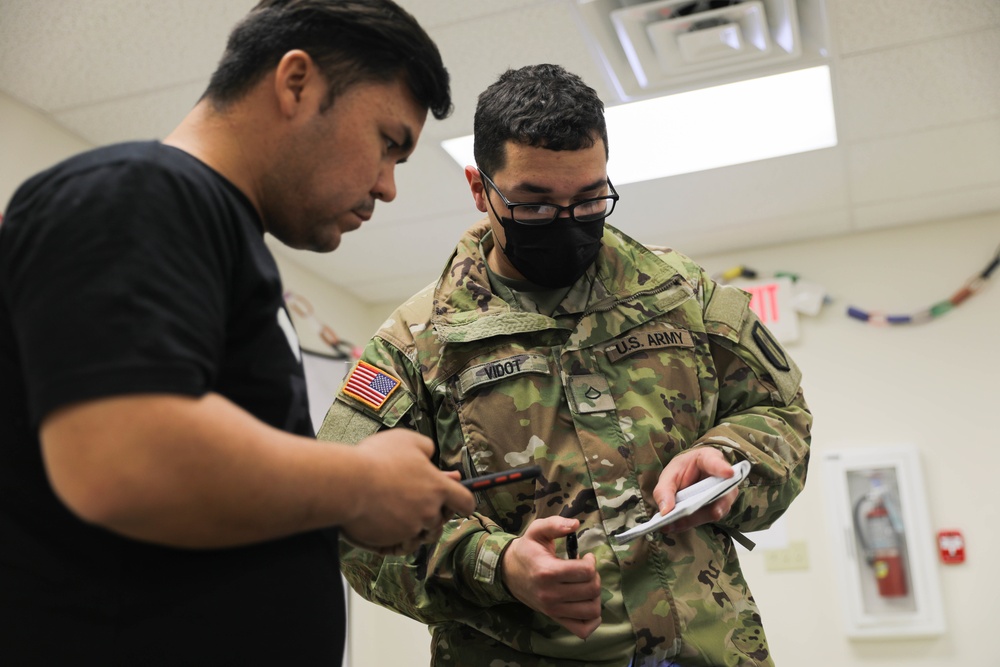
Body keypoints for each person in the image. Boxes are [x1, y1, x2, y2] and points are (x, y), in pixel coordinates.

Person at [0, 1, 475, 663]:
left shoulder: (224, 241)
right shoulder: (138, 189)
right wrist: (361, 481)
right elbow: (121, 461)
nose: (389, 186)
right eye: (387, 142)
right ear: (296, 82)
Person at [320, 63, 812, 667]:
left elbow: (780, 412)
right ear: (480, 189)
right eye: (533, 203)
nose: (565, 221)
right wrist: (497, 566)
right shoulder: (416, 345)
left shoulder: (682, 293)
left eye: (588, 199)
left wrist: (731, 459)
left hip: (707, 648)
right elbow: (349, 522)